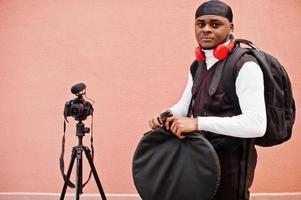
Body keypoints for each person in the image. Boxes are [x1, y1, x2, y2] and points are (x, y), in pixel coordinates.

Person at [148, 1, 267, 200]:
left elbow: (257, 125)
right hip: (199, 158)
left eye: (215, 24)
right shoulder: (197, 65)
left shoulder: (246, 66)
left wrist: (196, 123)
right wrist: (167, 115)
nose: (206, 30)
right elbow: (184, 106)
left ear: (231, 27)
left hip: (231, 166)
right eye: (200, 24)